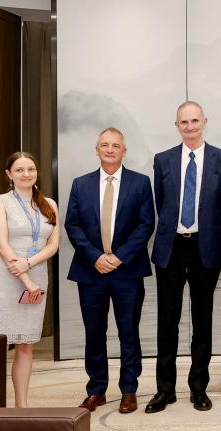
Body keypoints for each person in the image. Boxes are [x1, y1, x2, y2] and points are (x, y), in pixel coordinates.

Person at [146, 102, 221, 413]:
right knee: (167, 321)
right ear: (177, 125)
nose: (190, 126)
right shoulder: (163, 160)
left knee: (202, 320)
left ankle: (199, 388)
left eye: (195, 120)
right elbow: (162, 203)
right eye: (184, 122)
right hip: (170, 247)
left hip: (205, 247)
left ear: (205, 122)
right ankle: (164, 390)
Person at [64, 127, 155, 413]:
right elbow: (72, 225)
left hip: (127, 271)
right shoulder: (81, 184)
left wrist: (119, 257)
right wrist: (95, 257)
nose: (110, 150)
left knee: (129, 332)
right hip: (91, 271)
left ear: (124, 151)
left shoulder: (141, 183)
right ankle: (96, 390)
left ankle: (129, 389)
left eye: (116, 145)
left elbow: (146, 225)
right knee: (94, 332)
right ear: (97, 150)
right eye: (105, 145)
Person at [0, 152, 60, 408]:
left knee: (26, 345)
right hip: (4, 276)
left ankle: (21, 407)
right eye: (19, 170)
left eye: (31, 169)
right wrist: (26, 278)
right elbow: (2, 245)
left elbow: (53, 244)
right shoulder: (0, 202)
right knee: (0, 344)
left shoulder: (49, 204)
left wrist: (29, 264)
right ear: (9, 174)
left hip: (36, 273)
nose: (26, 174)